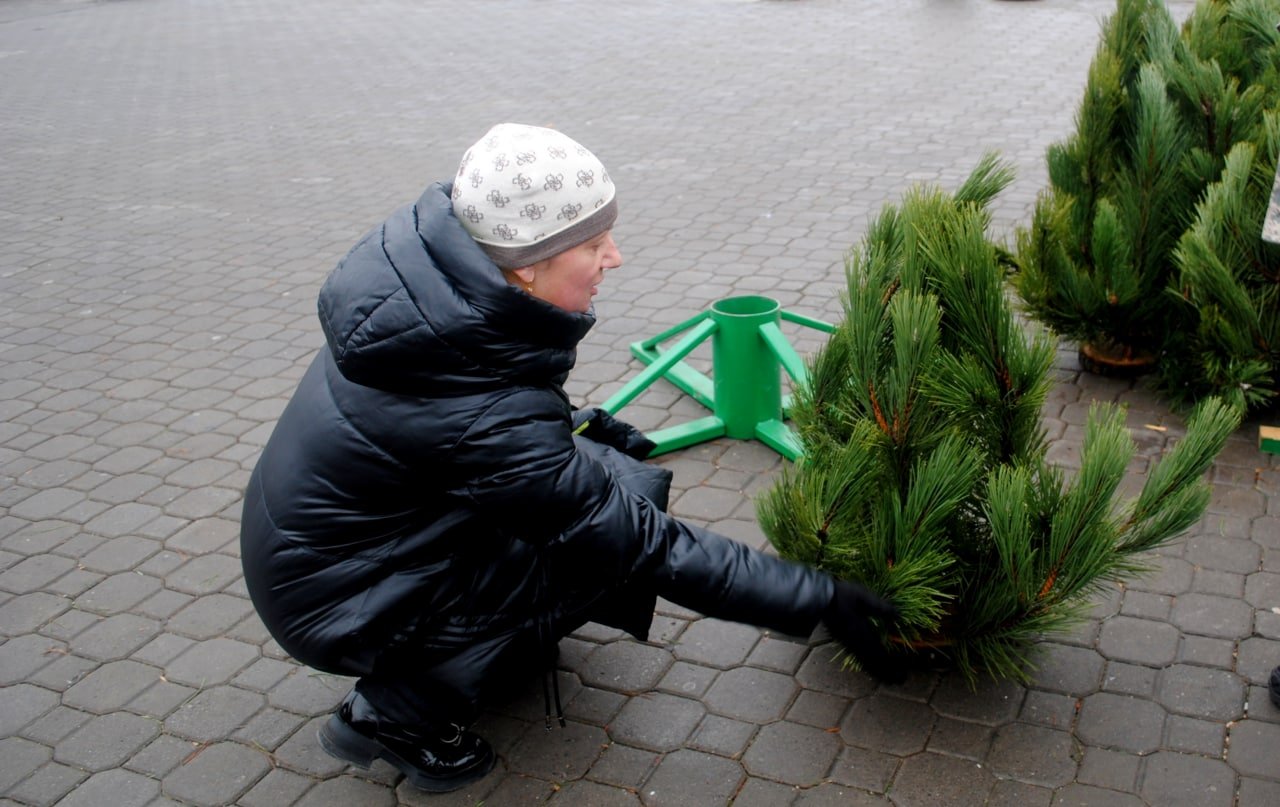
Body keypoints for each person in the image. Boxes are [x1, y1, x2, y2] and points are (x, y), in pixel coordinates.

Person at [239, 122, 906, 793]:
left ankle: (464, 647)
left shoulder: (429, 296)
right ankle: (393, 714)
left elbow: (473, 427)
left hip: (326, 556)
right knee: (599, 541)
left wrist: (581, 424)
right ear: (526, 263)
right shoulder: (478, 404)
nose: (614, 258)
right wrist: (812, 594)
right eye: (592, 244)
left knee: (602, 487)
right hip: (339, 600)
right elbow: (640, 543)